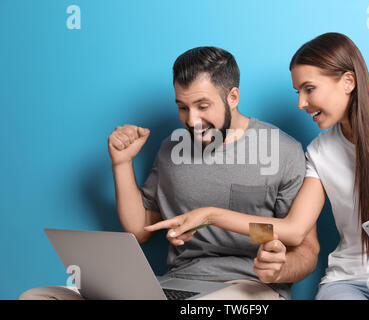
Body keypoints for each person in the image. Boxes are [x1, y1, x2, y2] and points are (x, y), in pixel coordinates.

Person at [146, 33, 369, 300]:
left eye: (309, 89)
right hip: (351, 284)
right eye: (297, 93)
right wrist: (212, 216)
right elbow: (292, 231)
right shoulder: (319, 152)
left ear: (348, 82)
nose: (301, 104)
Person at [18, 46, 319, 300]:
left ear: (233, 97)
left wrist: (279, 269)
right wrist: (121, 164)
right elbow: (140, 229)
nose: (193, 120)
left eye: (203, 106)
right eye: (183, 108)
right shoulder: (172, 149)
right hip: (174, 285)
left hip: (247, 288)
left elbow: (304, 246)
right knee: (40, 297)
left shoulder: (280, 150)